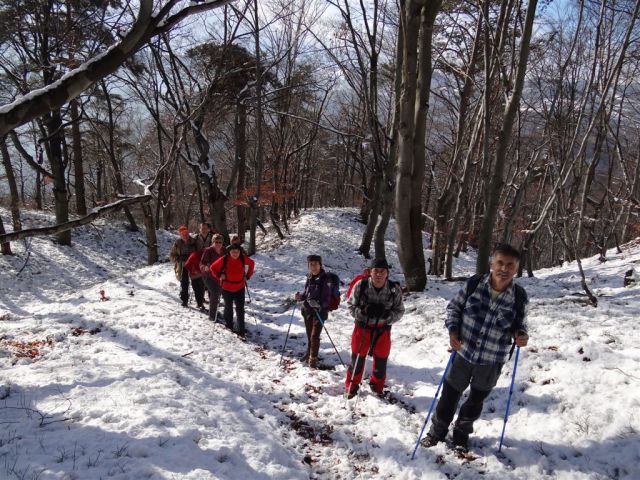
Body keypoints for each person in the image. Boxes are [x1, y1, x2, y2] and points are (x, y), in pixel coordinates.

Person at [424, 243, 530, 453]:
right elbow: (454, 308)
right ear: (491, 263)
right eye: (500, 263)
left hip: (492, 360)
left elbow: (521, 324)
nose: (504, 269)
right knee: (449, 396)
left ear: (516, 269)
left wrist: (521, 335)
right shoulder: (473, 284)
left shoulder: (519, 297)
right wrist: (453, 331)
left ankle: (461, 434)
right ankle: (437, 431)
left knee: (475, 401)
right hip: (464, 353)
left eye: (510, 265)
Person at [345, 258, 404, 398]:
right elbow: (350, 306)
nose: (378, 274)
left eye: (382, 271)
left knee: (381, 361)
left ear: (387, 273)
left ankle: (377, 386)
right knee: (357, 360)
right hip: (362, 328)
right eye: (375, 271)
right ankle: (351, 386)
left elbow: (400, 311)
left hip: (383, 330)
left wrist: (387, 316)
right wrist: (363, 312)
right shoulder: (361, 285)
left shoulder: (394, 289)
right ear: (370, 272)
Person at [294, 255, 332, 369]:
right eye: (311, 264)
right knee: (310, 335)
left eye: (316, 264)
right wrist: (300, 297)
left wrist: (319, 304)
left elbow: (327, 299)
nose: (313, 266)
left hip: (319, 312)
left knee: (315, 336)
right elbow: (306, 294)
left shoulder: (326, 279)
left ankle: (313, 360)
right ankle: (309, 353)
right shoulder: (309, 277)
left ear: (320, 265)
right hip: (307, 311)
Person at [210, 244, 255, 338]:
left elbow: (251, 263)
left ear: (240, 252)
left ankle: (241, 330)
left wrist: (248, 276)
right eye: (233, 252)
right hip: (226, 288)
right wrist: (219, 276)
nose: (235, 254)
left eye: (237, 252)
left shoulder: (243, 258)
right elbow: (212, 268)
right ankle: (229, 324)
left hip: (240, 287)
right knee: (228, 307)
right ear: (229, 252)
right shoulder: (224, 259)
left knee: (240, 309)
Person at [200, 234, 227, 320]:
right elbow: (202, 263)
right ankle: (212, 316)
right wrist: (205, 267)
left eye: (220, 242)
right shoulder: (208, 251)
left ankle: (216, 312)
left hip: (219, 276)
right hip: (208, 276)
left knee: (218, 294)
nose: (218, 244)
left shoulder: (224, 250)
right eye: (216, 242)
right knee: (215, 292)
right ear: (213, 242)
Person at [169, 226, 197, 307]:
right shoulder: (177, 243)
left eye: (186, 233)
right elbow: (171, 255)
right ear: (180, 235)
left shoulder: (194, 242)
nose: (185, 235)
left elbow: (199, 252)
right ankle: (184, 300)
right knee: (184, 283)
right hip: (182, 266)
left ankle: (199, 301)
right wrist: (178, 259)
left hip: (193, 265)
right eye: (183, 234)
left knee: (196, 283)